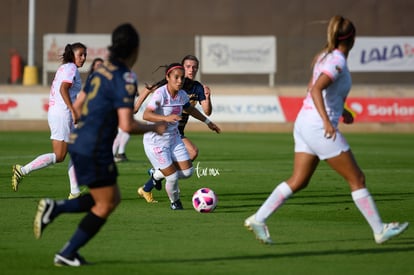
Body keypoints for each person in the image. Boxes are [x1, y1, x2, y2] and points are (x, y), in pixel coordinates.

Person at [244, 15, 409, 245]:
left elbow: (318, 90)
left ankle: (258, 218)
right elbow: (316, 90)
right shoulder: (337, 61)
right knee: (357, 178)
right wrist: (327, 121)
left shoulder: (325, 56)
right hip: (317, 126)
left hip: (304, 122)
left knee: (299, 180)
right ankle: (379, 229)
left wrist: (343, 111)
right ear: (352, 39)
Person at [33, 23, 167, 267]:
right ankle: (67, 250)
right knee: (106, 203)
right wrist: (154, 127)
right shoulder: (126, 77)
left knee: (109, 198)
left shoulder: (101, 70)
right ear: (135, 49)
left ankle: (57, 215)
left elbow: (79, 103)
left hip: (81, 140)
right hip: (94, 147)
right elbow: (127, 125)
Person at [137, 63, 221, 209]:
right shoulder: (160, 94)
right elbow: (146, 114)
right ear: (167, 77)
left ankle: (156, 174)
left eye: (182, 78)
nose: (179, 81)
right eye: (176, 77)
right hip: (155, 141)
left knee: (188, 172)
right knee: (173, 177)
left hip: (174, 138)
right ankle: (175, 202)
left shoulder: (181, 94)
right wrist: (166, 118)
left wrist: (208, 122)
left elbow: (190, 109)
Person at [12, 42, 87, 199]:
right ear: (72, 55)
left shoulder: (64, 67)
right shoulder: (70, 68)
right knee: (59, 156)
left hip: (59, 112)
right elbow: (63, 89)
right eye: (80, 54)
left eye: (85, 54)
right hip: (63, 114)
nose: (84, 58)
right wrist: (73, 110)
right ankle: (23, 170)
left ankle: (75, 191)